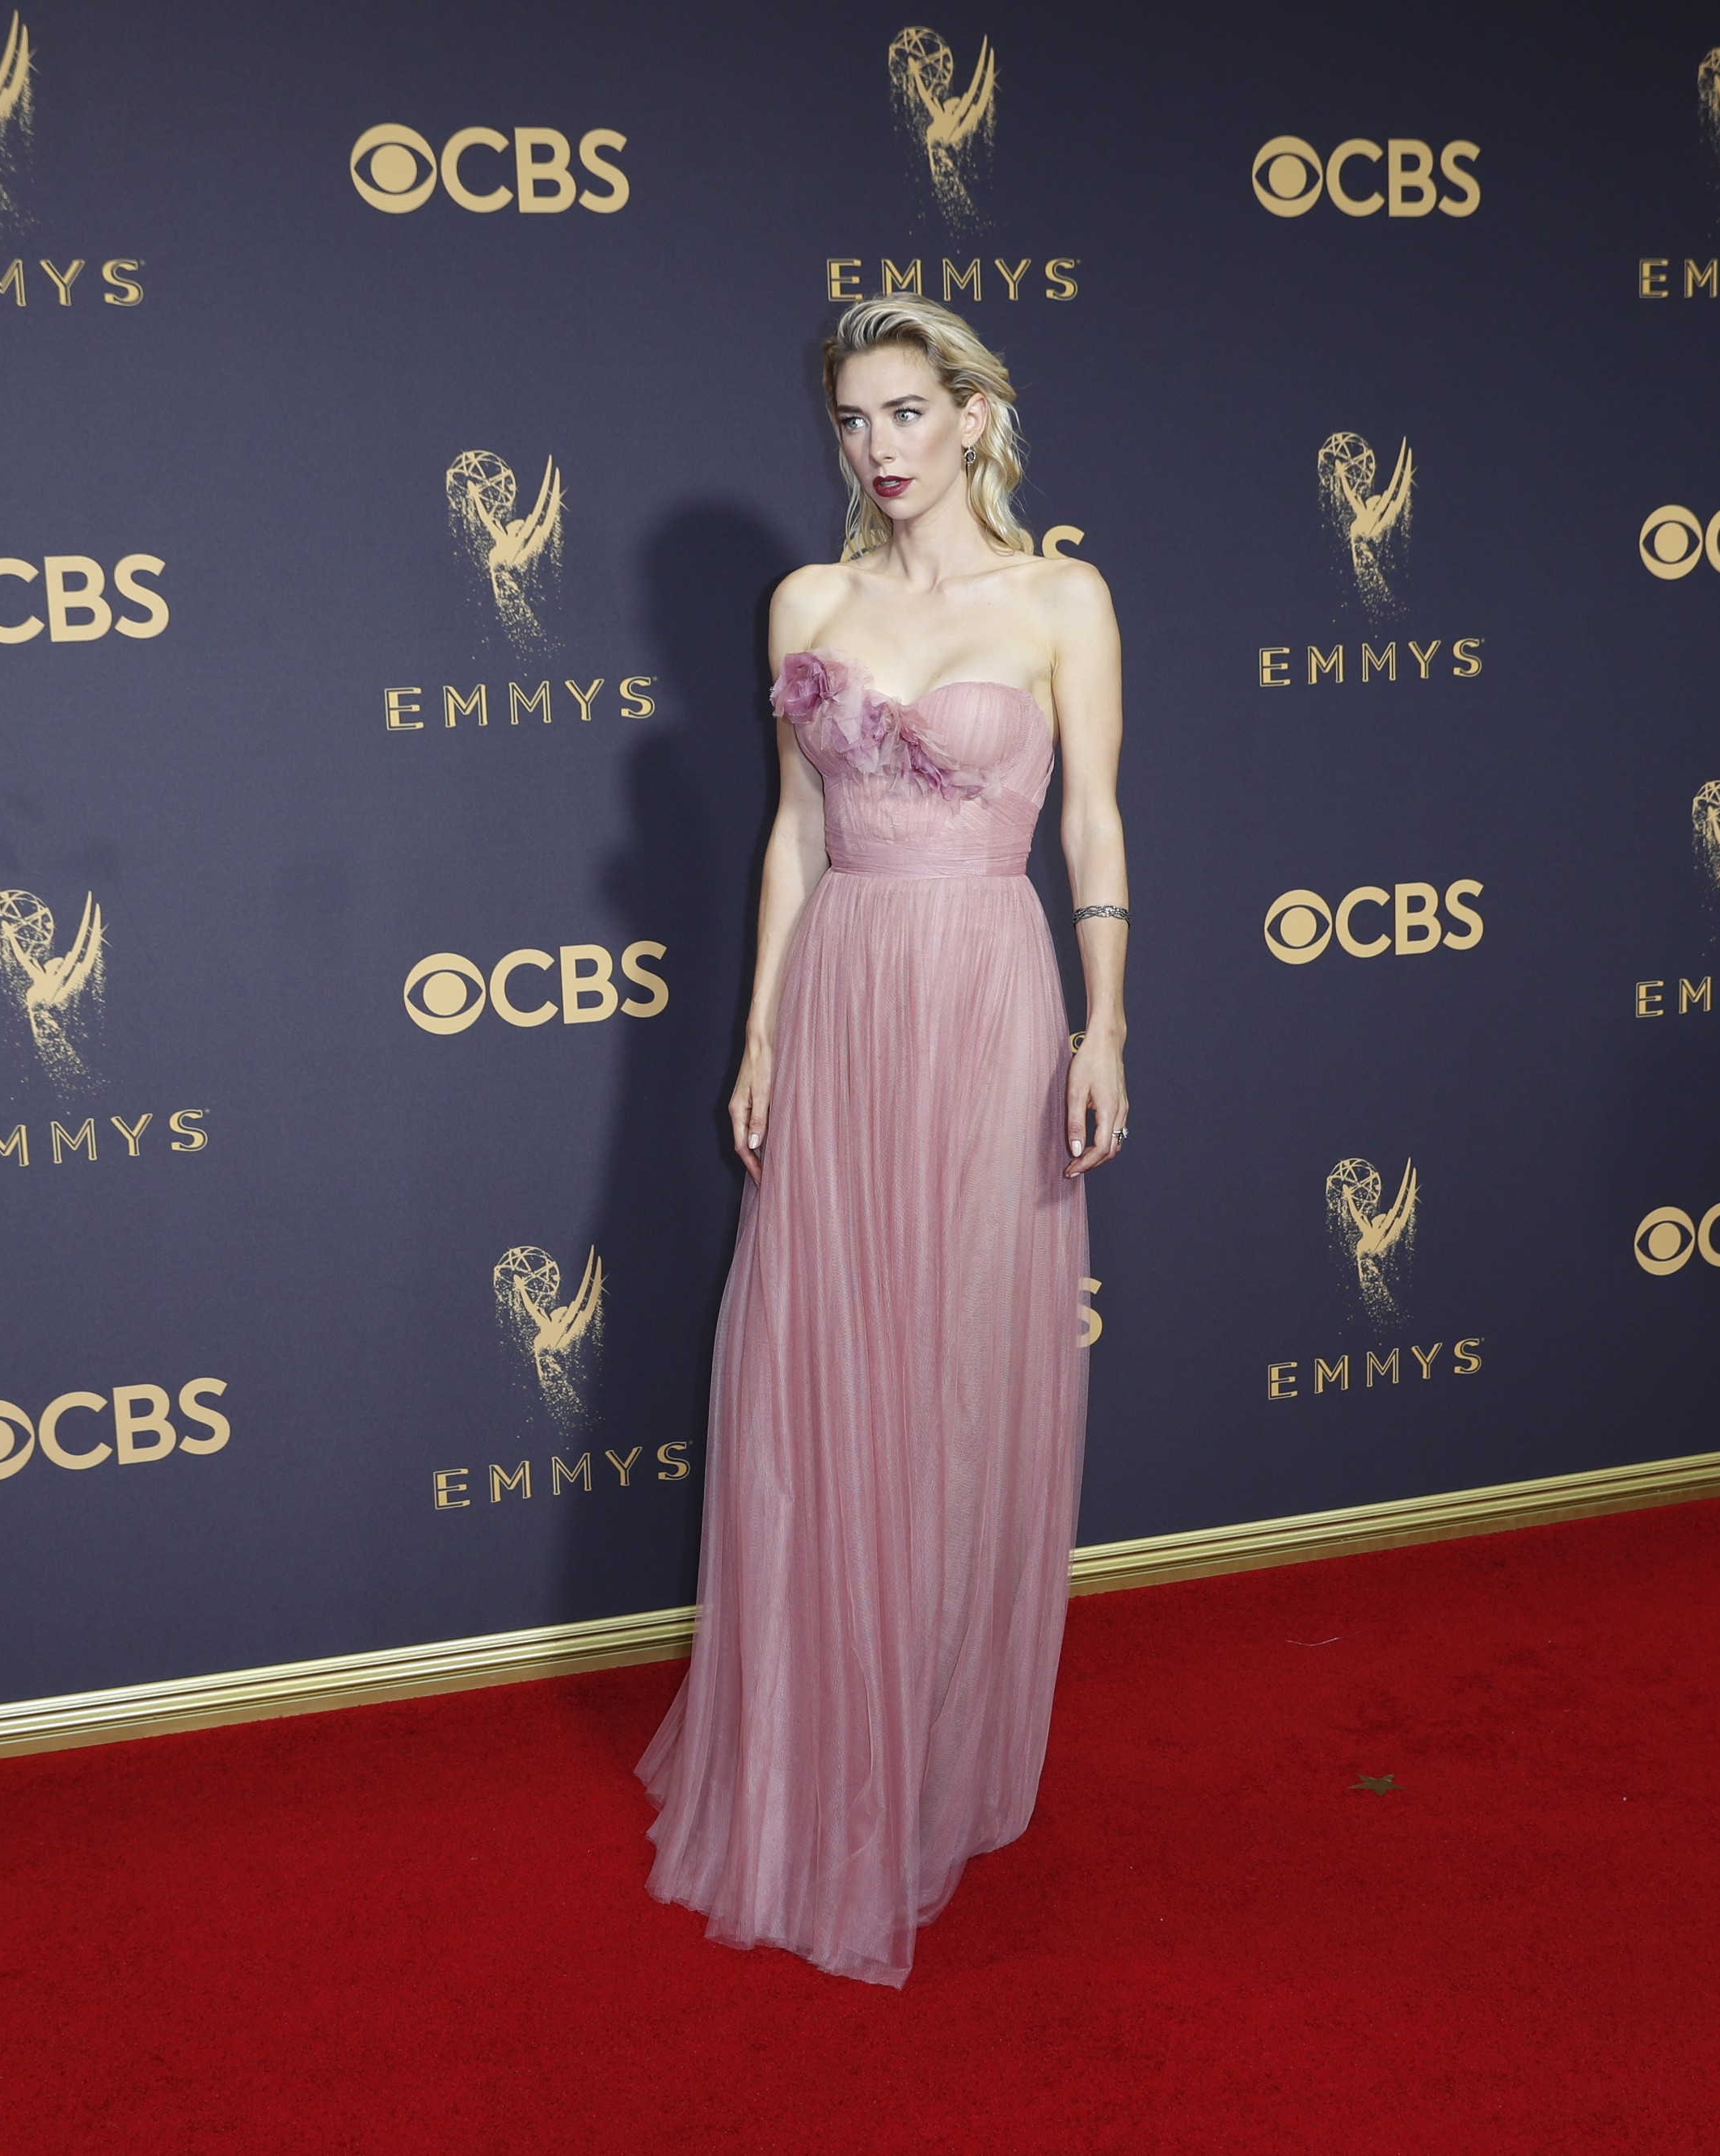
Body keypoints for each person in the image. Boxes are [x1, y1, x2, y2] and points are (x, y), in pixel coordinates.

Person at [636, 295, 1128, 1985]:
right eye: (852, 420)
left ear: (975, 415)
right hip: (845, 992)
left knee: (963, 1368)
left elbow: (1092, 820)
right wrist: (761, 1029)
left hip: (989, 992)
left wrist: (1107, 1024)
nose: (878, 447)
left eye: (907, 411)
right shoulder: (810, 601)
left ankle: (936, 1750)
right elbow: (791, 833)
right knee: (825, 1370)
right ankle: (821, 1743)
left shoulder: (1060, 599)